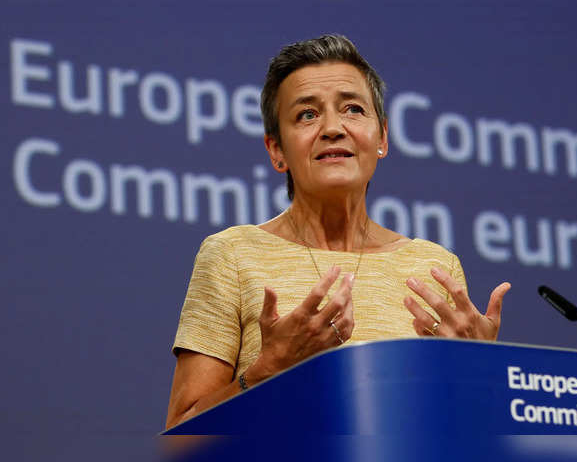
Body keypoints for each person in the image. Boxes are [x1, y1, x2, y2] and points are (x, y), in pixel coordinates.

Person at [165, 34, 511, 429]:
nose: (332, 127)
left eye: (352, 109)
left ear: (381, 137)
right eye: (307, 115)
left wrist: (482, 378)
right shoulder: (232, 254)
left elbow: (466, 433)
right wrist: (267, 372)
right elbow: (181, 437)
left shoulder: (433, 265)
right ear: (276, 150)